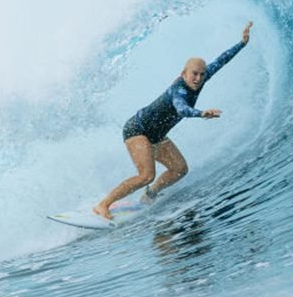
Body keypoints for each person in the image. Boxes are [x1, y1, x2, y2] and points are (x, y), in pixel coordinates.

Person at [93, 21, 253, 220]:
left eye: (202, 74)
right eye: (194, 74)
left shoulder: (201, 78)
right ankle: (103, 205)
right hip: (137, 130)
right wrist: (201, 113)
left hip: (157, 135)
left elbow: (221, 60)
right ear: (183, 74)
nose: (198, 78)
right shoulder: (178, 92)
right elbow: (182, 109)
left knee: (179, 169)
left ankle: (150, 195)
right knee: (146, 175)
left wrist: (242, 43)